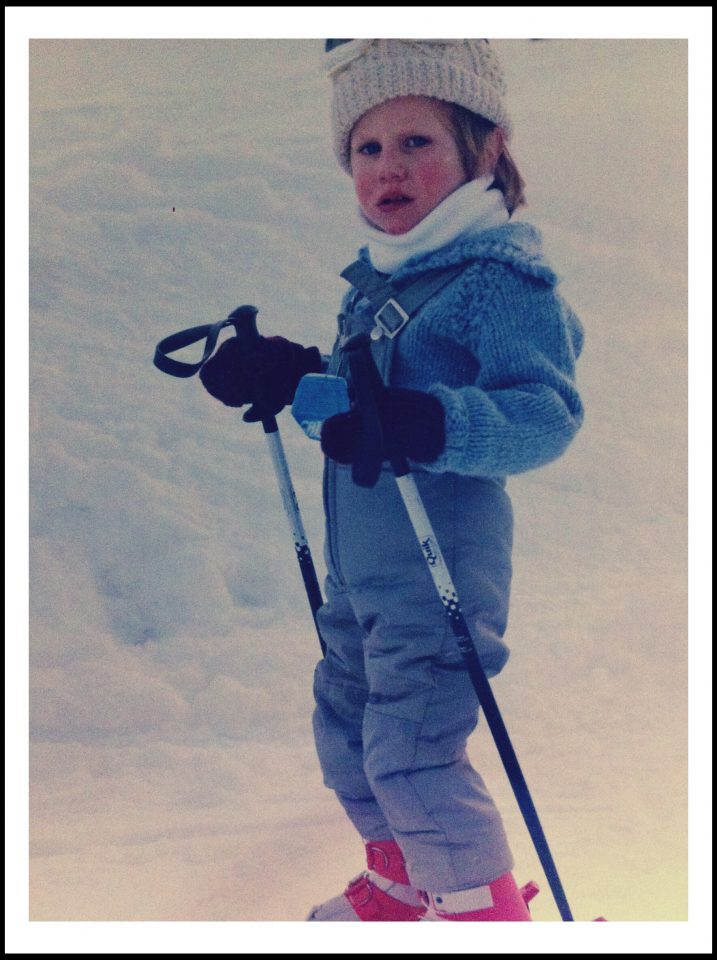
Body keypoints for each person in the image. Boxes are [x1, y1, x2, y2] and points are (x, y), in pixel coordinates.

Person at [199, 39, 584, 921]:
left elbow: (544, 414)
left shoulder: (501, 281)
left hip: (439, 566)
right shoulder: (384, 279)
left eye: (417, 143)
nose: (388, 169)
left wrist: (433, 423)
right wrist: (290, 378)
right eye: (367, 149)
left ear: (482, 149)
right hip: (364, 564)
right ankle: (407, 880)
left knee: (412, 750)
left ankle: (479, 912)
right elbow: (360, 404)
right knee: (348, 726)